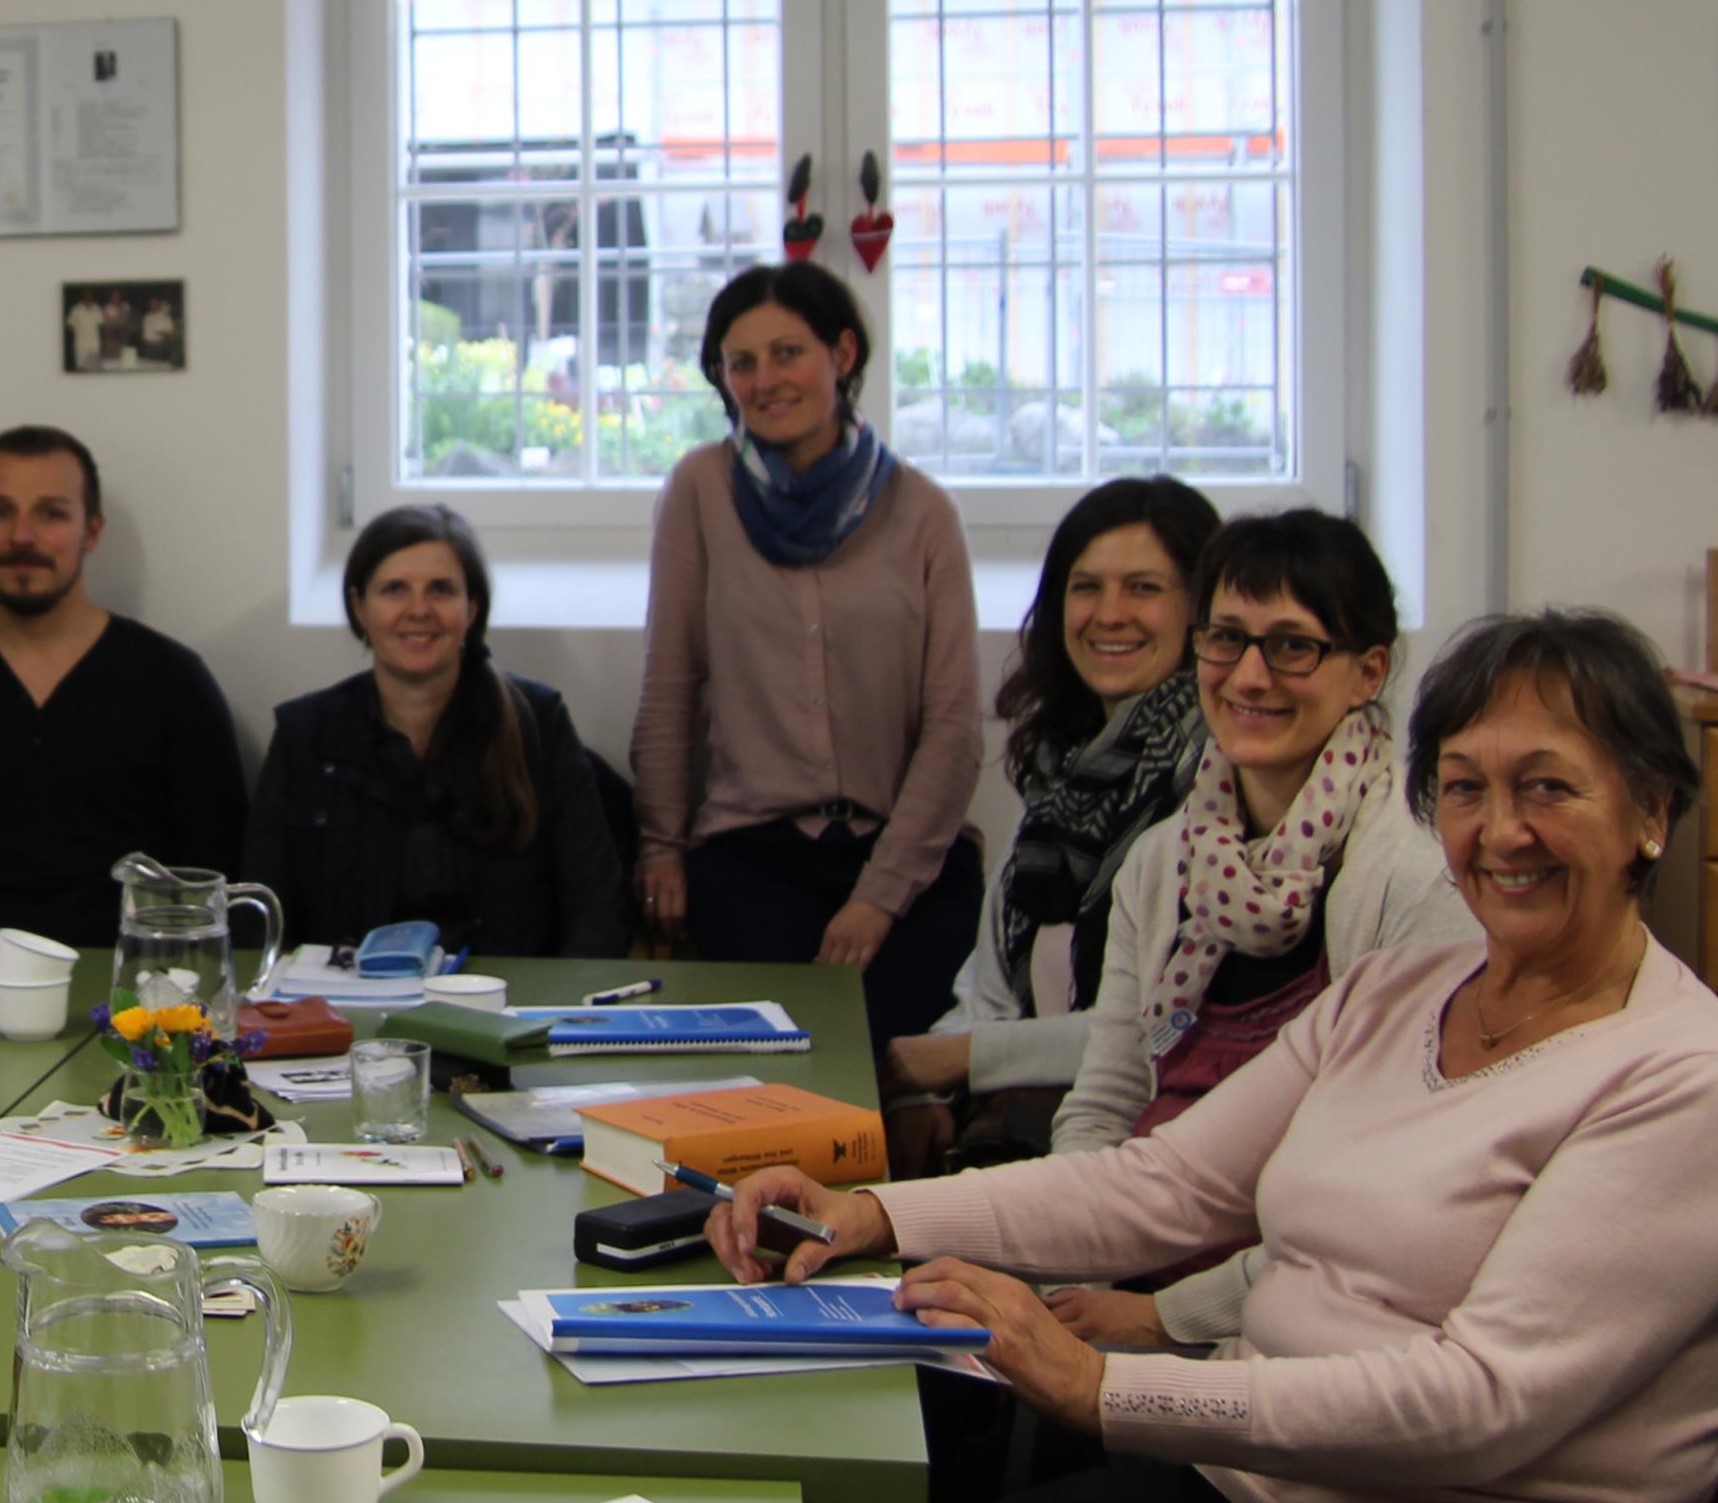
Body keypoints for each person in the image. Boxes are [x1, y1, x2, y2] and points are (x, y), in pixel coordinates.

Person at [707, 609, 1718, 1503]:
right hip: (1263, 1502)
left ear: (1650, 813)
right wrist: (873, 1212)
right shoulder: (1398, 992)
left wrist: (1105, 1391)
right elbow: (1163, 1185)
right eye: (1465, 788)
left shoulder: (1691, 1086)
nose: (1502, 831)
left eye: (1548, 787)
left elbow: (1478, 1407)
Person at [1042, 507, 1475, 1349]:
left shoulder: (1418, 879)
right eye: (1227, 639)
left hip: (1299, 1316)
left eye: (1291, 646)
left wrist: (1163, 1319)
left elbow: (1378, 1194)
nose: (1248, 676)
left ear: (1368, 671)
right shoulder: (1161, 862)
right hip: (1131, 1267)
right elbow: (1107, 1103)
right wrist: (1070, 1276)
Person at [630, 261, 982, 1046]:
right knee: (787, 1060)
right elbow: (669, 688)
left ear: (843, 354)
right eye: (741, 362)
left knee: (885, 1053)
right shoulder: (699, 490)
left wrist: (879, 896)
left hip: (908, 860)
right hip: (750, 854)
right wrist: (660, 847)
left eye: (787, 353)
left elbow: (955, 729)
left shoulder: (923, 511)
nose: (765, 381)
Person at [883, 478, 1216, 1170]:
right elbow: (987, 987)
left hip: (1149, 1145)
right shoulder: (1059, 772)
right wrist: (927, 1089)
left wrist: (963, 1058)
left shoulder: (1216, 785)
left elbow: (1169, 1026)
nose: (1110, 615)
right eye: (1086, 587)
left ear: (1200, 612)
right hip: (1029, 1128)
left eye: (1144, 589)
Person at [0, 424, 248, 941]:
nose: (22, 536)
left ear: (92, 531)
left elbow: (214, 880)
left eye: (51, 513)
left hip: (130, 979)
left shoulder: (174, 685)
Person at [242, 503, 623, 954]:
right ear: (360, 607)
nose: (419, 610)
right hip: (344, 992)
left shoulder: (538, 722)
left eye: (441, 590)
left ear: (471, 608)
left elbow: (597, 908)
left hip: (506, 991)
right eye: (395, 589)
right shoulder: (304, 735)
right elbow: (260, 921)